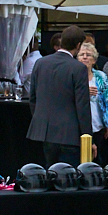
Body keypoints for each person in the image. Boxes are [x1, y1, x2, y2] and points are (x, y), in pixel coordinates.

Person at [28, 25, 92, 168]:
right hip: (70, 134)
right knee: (67, 179)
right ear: (78, 45)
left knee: (47, 176)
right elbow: (82, 105)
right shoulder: (78, 68)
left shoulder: (40, 63)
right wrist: (87, 136)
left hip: (43, 131)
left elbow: (33, 98)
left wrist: (40, 118)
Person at [78, 41, 108, 166]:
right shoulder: (73, 77)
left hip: (98, 125)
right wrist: (84, 92)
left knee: (97, 160)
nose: (85, 57)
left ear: (94, 60)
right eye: (82, 54)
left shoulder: (100, 76)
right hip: (78, 127)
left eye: (88, 55)